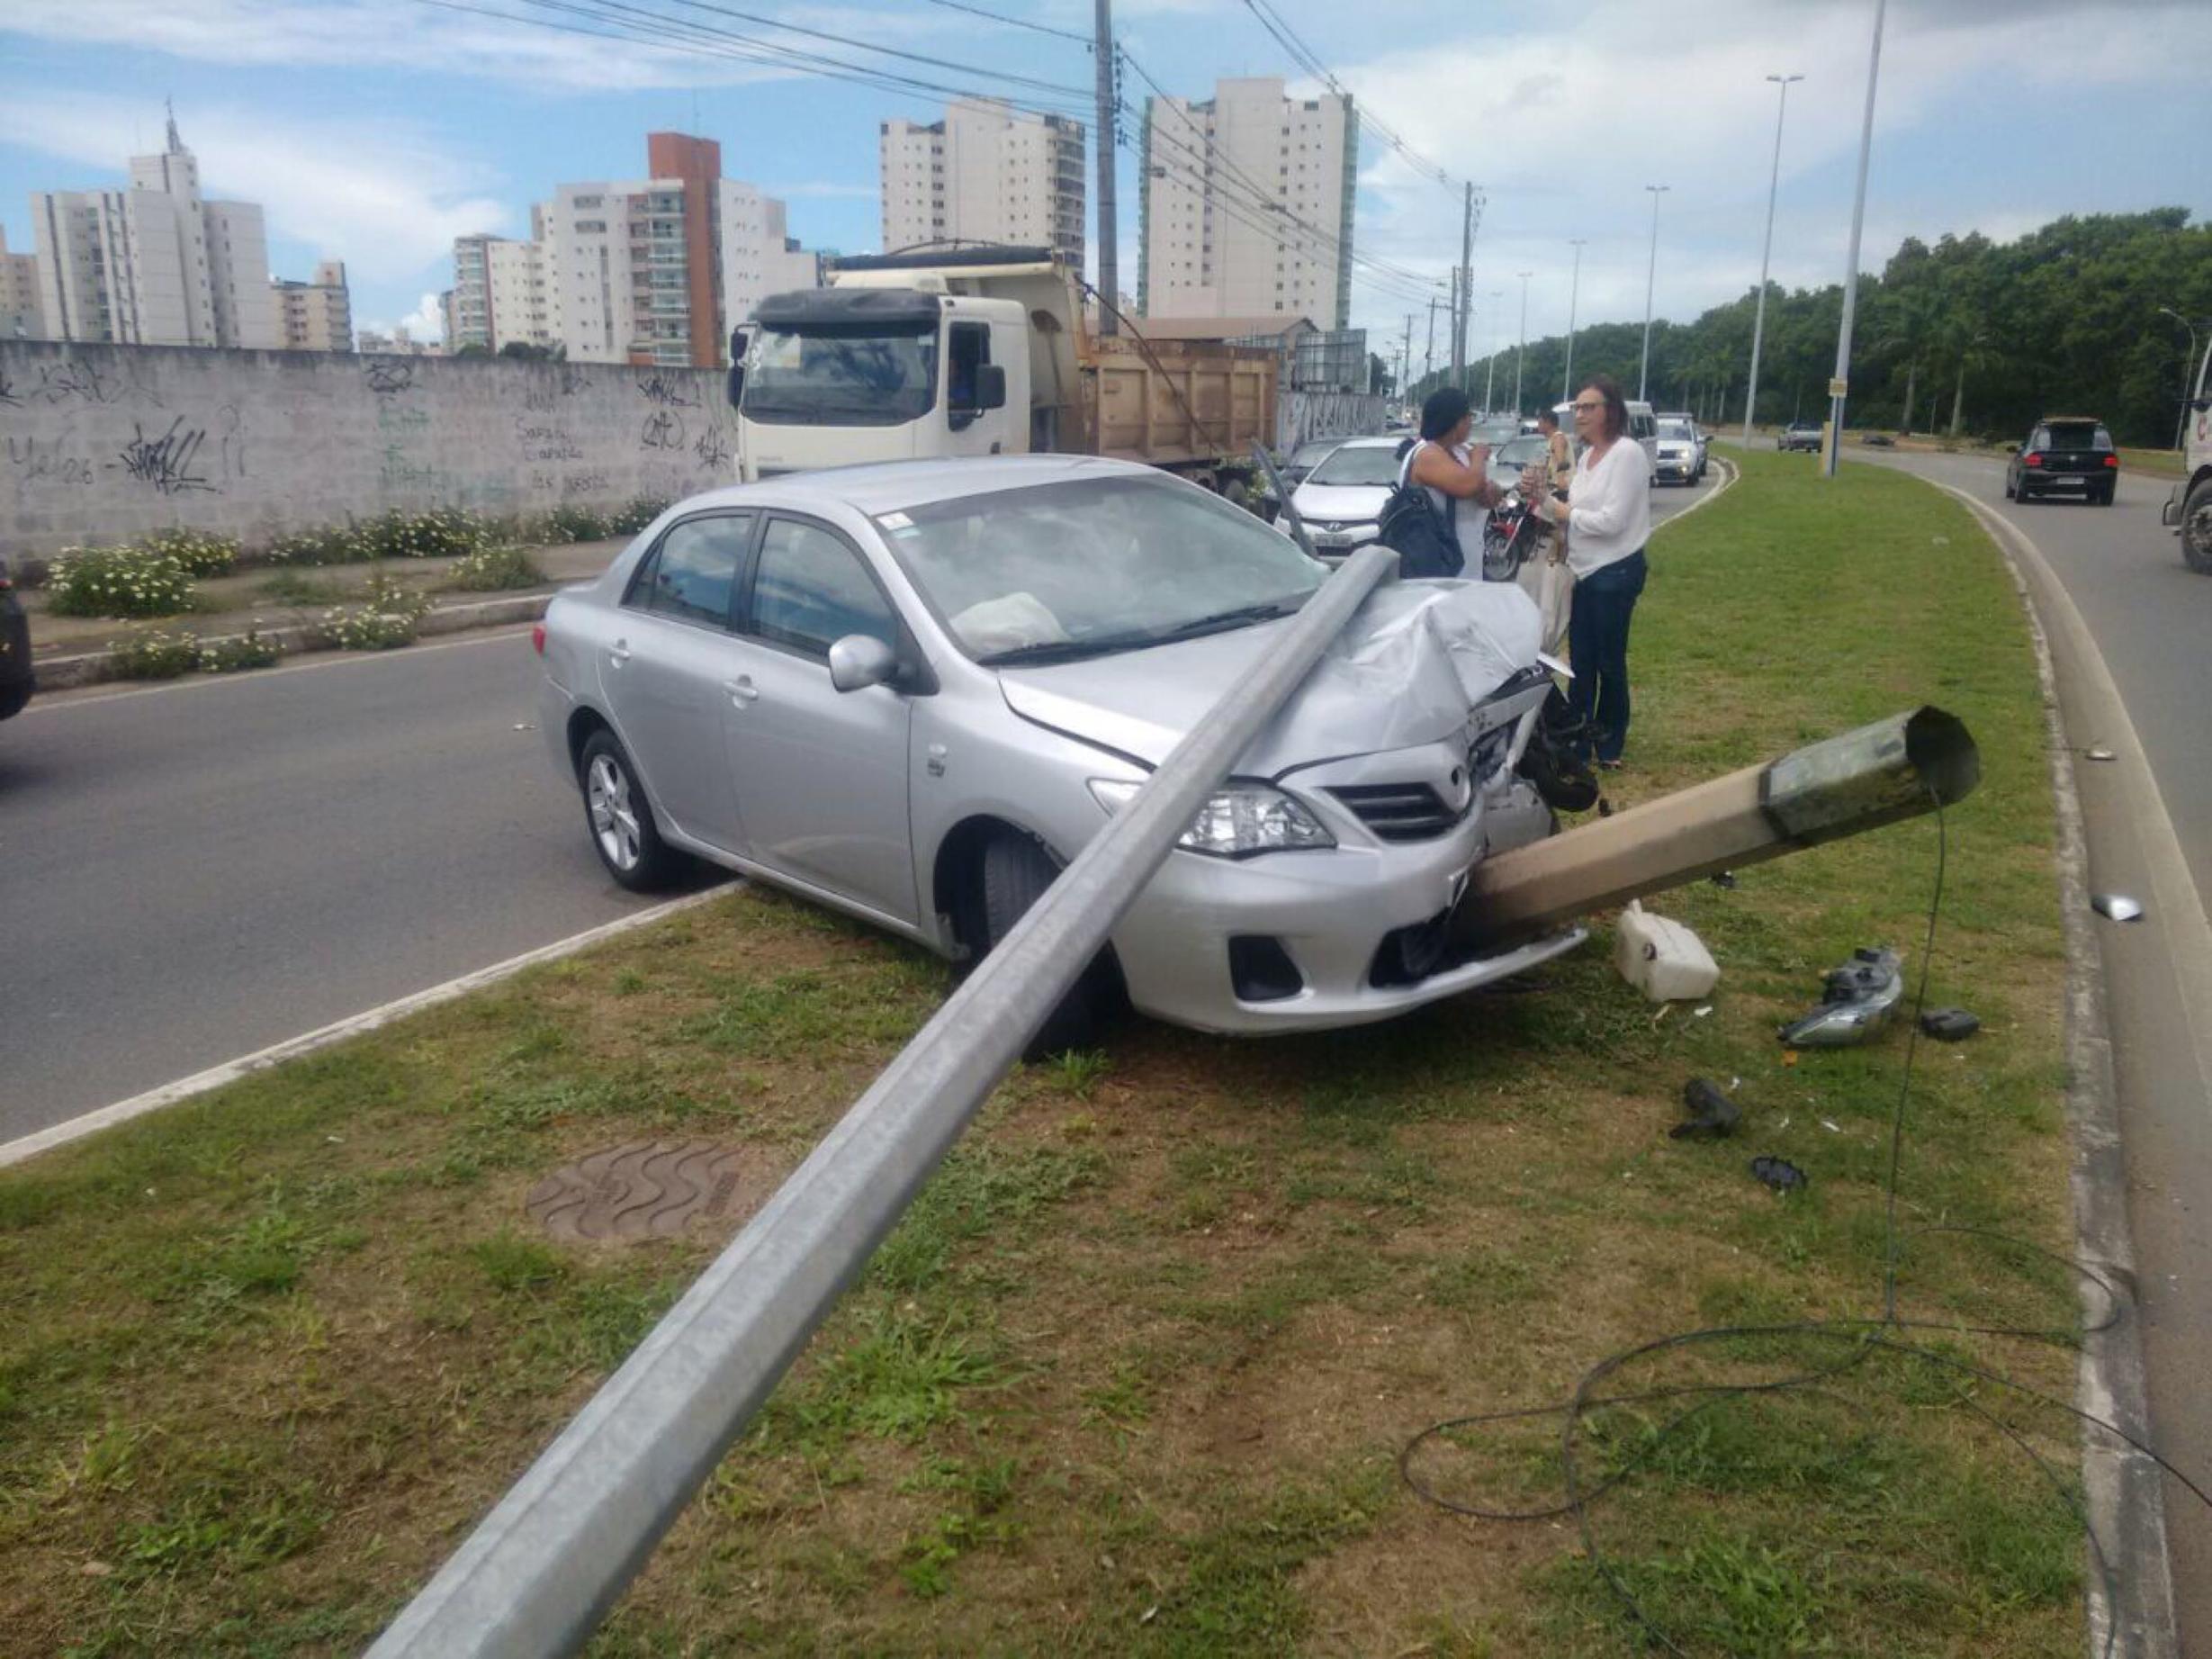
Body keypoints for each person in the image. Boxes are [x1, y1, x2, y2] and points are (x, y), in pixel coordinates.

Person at [1539, 374, 1652, 769]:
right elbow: (1572, 508)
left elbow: (1613, 521)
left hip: (1615, 571)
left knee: (1609, 661)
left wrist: (1565, 512)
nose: (1581, 414)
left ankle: (1610, 743)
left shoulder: (1627, 454)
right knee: (1580, 661)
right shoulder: (1586, 457)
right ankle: (1579, 739)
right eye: (1577, 407)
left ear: (1611, 411)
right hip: (1583, 572)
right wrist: (1541, 499)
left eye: (1589, 407)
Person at [1397, 387, 1502, 570]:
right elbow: (1470, 484)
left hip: (1465, 562)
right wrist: (1478, 455)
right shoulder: (1427, 454)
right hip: (1436, 564)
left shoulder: (1459, 451)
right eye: (1468, 416)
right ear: (1456, 421)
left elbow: (1483, 489)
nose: (1471, 422)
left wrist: (1492, 492)